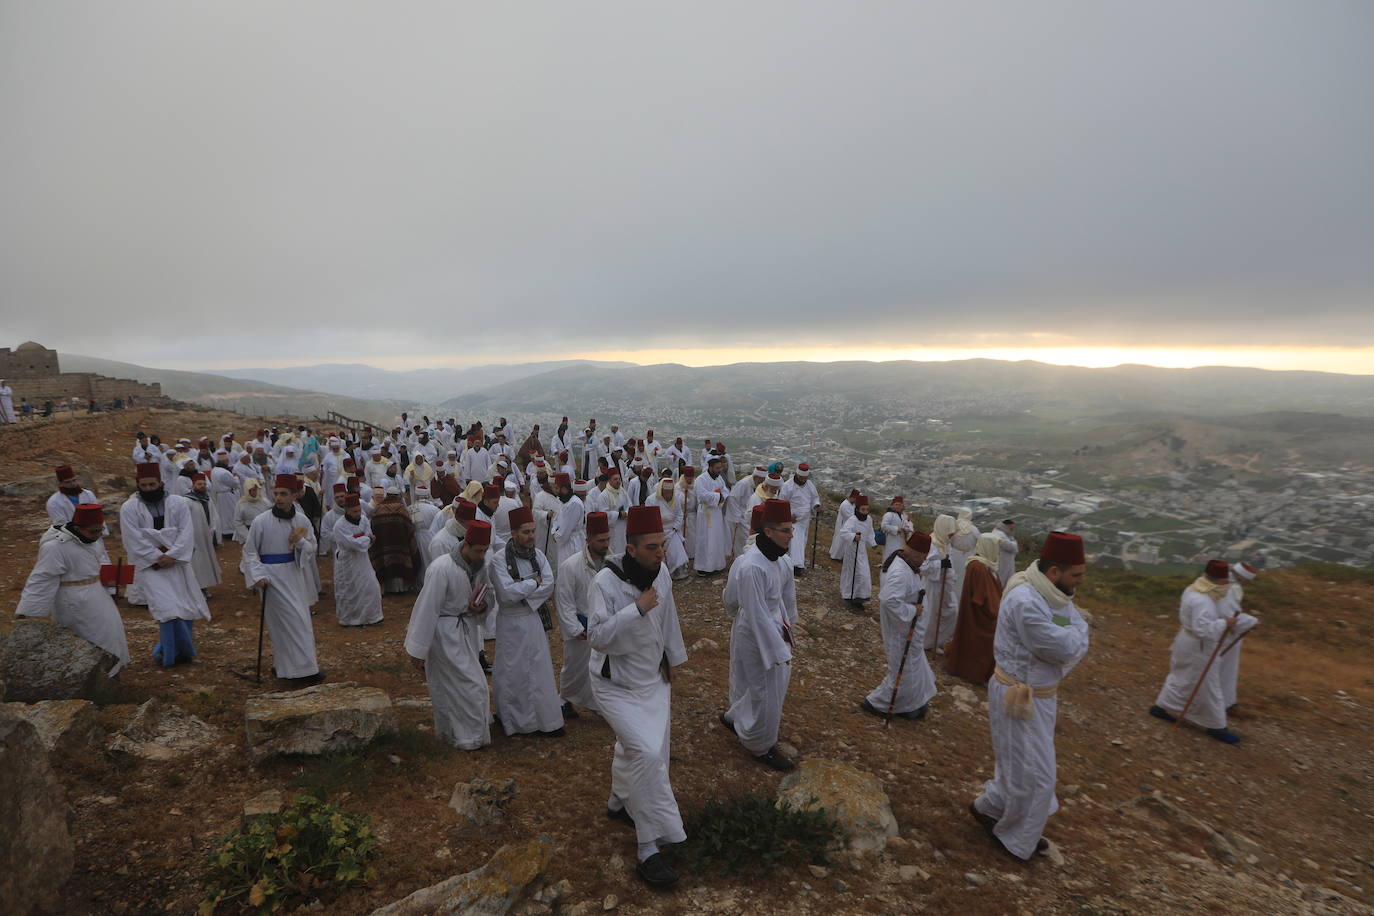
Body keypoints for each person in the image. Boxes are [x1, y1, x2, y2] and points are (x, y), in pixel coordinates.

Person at [970, 532, 1090, 861]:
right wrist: (1080, 632)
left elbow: (1071, 626)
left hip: (1037, 695)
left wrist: (1075, 631)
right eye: (1075, 575)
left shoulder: (1049, 591)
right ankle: (1014, 837)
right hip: (1019, 697)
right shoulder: (1027, 600)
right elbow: (1064, 646)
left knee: (1017, 761)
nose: (1080, 582)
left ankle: (989, 807)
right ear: (1054, 572)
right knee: (1035, 772)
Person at [587, 505, 688, 887]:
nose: (660, 553)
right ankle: (649, 849)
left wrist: (672, 656)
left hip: (652, 681)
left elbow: (670, 617)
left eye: (661, 545)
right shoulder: (605, 583)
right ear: (631, 550)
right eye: (651, 547)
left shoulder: (661, 573)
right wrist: (635, 610)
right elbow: (595, 638)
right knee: (647, 756)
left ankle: (618, 802)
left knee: (644, 751)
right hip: (615, 687)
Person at [405, 519, 496, 750]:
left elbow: (488, 596)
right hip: (445, 634)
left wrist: (481, 606)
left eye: (485, 550)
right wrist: (418, 650)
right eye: (478, 550)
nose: (481, 555)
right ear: (466, 544)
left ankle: (457, 732)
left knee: (463, 685)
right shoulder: (441, 568)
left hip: (465, 631)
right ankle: (468, 737)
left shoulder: (480, 567)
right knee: (469, 685)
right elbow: (427, 608)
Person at [721, 498, 798, 770]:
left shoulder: (781, 561)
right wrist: (778, 650)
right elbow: (756, 614)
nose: (791, 535)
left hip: (769, 628)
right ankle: (760, 745)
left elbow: (786, 601)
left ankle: (736, 718)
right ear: (768, 531)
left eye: (791, 529)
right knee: (766, 689)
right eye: (785, 530)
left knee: (757, 684)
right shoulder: (752, 565)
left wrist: (788, 631)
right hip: (757, 633)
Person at [1149, 560, 1257, 743]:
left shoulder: (1193, 589)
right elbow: (1204, 630)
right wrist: (1226, 623)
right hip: (1199, 646)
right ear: (1220, 580)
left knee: (1181, 676)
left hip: (1185, 640)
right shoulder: (1204, 600)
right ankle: (1217, 727)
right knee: (1209, 684)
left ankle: (1162, 707)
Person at [17, 503, 131, 674]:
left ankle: (111, 672)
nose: (99, 535)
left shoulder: (92, 539)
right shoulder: (55, 547)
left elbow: (100, 561)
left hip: (98, 594)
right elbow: (42, 577)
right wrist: (29, 610)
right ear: (78, 527)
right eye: (94, 531)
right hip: (72, 599)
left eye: (101, 531)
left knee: (109, 633)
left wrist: (110, 578)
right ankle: (86, 677)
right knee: (86, 638)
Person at [120, 462, 211, 667]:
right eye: (143, 485)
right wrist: (158, 556)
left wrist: (173, 555)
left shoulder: (178, 503)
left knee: (185, 607)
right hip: (150, 567)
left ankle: (183, 652)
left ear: (160, 482)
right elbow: (133, 539)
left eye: (152, 484)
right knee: (167, 610)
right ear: (137, 485)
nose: (149, 489)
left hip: (177, 564)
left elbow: (186, 532)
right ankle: (169, 656)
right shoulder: (129, 508)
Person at [488, 505, 563, 737]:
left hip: (531, 618)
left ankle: (546, 721)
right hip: (510, 623)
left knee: (539, 670)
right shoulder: (499, 561)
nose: (531, 537)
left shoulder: (538, 555)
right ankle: (514, 721)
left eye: (533, 531)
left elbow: (549, 584)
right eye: (525, 532)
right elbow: (507, 595)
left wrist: (525, 590)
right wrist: (533, 583)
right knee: (514, 672)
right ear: (513, 534)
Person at [242, 474, 321, 684]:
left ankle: (297, 667)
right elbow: (250, 552)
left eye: (283, 494)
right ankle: (298, 671)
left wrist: (301, 541)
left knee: (301, 620)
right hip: (271, 579)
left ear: (294, 495)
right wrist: (258, 575)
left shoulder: (301, 520)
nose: (278, 498)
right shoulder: (261, 521)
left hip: (295, 575)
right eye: (276, 493)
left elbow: (312, 547)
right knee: (285, 623)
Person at [861, 531, 936, 721]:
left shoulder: (907, 561)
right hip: (901, 629)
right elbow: (888, 601)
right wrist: (913, 610)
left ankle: (913, 703)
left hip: (909, 628)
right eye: (923, 557)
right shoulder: (900, 572)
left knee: (914, 667)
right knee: (904, 669)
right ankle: (877, 703)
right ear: (916, 554)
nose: (924, 561)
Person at [556, 511, 610, 718]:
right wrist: (574, 628)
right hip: (580, 628)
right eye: (600, 540)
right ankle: (564, 700)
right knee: (574, 669)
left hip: (605, 627)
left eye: (607, 539)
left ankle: (597, 703)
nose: (605, 544)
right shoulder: (570, 566)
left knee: (601, 669)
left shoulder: (613, 563)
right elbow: (564, 600)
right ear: (588, 541)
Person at [944, 533, 1005, 683]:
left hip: (980, 613)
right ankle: (975, 673)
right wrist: (999, 610)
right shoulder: (978, 567)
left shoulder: (984, 564)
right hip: (979, 616)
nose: (997, 552)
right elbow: (983, 597)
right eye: (995, 548)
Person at [331, 493, 384, 626]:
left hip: (362, 559)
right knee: (350, 589)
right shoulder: (339, 526)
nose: (358, 513)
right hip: (347, 561)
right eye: (354, 511)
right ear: (347, 511)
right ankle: (350, 619)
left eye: (359, 510)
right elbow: (353, 543)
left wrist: (363, 539)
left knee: (371, 586)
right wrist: (366, 539)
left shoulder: (364, 519)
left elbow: (365, 538)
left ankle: (372, 616)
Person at [1218, 562, 1260, 712]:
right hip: (1222, 635)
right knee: (1224, 669)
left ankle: (1225, 701)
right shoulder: (1232, 588)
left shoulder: (1221, 582)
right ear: (1243, 578)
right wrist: (1252, 622)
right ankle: (1222, 703)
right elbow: (1230, 614)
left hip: (1219, 631)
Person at [369, 492, 422, 594]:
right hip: (401, 543)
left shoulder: (377, 508)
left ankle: (389, 589)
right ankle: (403, 588)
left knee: (386, 562)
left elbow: (373, 527)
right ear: (397, 496)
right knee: (401, 561)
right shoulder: (401, 508)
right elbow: (410, 527)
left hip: (384, 545)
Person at [924, 515, 959, 652]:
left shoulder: (946, 543)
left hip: (945, 584)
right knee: (931, 614)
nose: (951, 535)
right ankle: (926, 642)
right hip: (933, 584)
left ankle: (936, 641)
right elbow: (924, 566)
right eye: (949, 532)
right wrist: (940, 564)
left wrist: (949, 571)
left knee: (951, 611)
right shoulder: (932, 543)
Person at [645, 471, 689, 580]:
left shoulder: (675, 499)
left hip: (673, 529)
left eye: (670, 491)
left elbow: (679, 514)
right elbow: (649, 517)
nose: (668, 494)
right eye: (666, 492)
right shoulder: (651, 500)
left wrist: (675, 526)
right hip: (658, 531)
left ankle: (677, 571)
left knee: (677, 550)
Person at [184, 472, 222, 595]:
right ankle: (197, 591)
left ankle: (205, 589)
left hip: (206, 537)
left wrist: (214, 531)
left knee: (206, 564)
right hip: (193, 538)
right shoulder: (187, 500)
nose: (202, 486)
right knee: (196, 564)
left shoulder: (207, 498)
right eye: (199, 484)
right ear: (193, 485)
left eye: (204, 484)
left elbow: (213, 516)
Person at [693, 456, 731, 575]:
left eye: (720, 467)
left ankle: (717, 564)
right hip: (705, 513)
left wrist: (720, 497)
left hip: (716, 512)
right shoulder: (701, 479)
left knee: (717, 538)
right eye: (717, 468)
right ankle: (703, 567)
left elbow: (726, 491)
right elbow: (701, 495)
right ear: (710, 467)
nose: (719, 470)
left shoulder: (719, 478)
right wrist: (718, 496)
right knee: (705, 539)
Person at [779, 464, 819, 574]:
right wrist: (788, 516)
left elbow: (815, 498)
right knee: (796, 540)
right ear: (796, 474)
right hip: (793, 519)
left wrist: (816, 505)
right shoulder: (787, 486)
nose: (803, 480)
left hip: (805, 519)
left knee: (802, 541)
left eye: (805, 478)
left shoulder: (809, 485)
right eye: (801, 478)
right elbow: (782, 502)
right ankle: (796, 565)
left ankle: (794, 561)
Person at [838, 495, 876, 608]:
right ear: (858, 509)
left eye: (867, 509)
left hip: (862, 550)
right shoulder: (852, 519)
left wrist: (872, 543)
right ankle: (850, 596)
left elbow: (870, 533)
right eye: (862, 509)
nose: (865, 512)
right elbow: (844, 532)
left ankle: (860, 596)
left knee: (863, 574)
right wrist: (854, 536)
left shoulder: (869, 520)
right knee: (854, 573)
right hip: (852, 550)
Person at [727, 468, 764, 559]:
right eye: (761, 479)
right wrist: (737, 516)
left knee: (749, 537)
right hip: (740, 515)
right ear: (756, 477)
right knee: (741, 539)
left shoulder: (758, 485)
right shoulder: (743, 484)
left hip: (749, 515)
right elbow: (732, 498)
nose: (763, 482)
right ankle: (739, 557)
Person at [551, 474, 587, 568]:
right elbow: (556, 520)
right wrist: (554, 532)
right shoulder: (564, 501)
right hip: (564, 544)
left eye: (557, 488)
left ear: (563, 489)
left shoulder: (574, 503)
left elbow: (565, 531)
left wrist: (556, 536)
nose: (555, 491)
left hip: (571, 545)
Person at [878, 496, 914, 564]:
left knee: (897, 561)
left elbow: (906, 527)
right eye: (896, 504)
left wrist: (906, 528)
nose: (898, 506)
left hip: (900, 542)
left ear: (902, 506)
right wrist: (897, 529)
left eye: (899, 505)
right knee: (888, 560)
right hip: (890, 541)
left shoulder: (903, 516)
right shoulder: (889, 514)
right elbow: (883, 526)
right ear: (893, 505)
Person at [829, 489, 860, 560]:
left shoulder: (853, 505)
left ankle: (841, 556)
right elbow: (848, 516)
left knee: (845, 542)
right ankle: (835, 556)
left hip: (848, 527)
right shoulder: (845, 505)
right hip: (842, 525)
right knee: (840, 541)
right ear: (852, 497)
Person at [992, 519, 1018, 587]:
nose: (1012, 530)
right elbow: (1011, 546)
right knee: (1002, 580)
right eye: (1011, 528)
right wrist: (1015, 542)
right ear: (1006, 526)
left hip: (1005, 560)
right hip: (1002, 561)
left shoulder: (1002, 532)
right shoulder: (999, 534)